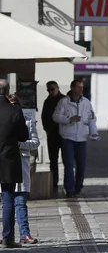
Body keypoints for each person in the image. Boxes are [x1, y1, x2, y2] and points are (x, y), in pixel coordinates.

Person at [53, 79, 99, 198]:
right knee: (68, 165)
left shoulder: (86, 102)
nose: (81, 89)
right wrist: (69, 119)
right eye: (79, 87)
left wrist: (93, 133)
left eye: (82, 87)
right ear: (72, 88)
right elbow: (56, 116)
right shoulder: (64, 102)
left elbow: (91, 119)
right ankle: (69, 189)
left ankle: (78, 187)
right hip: (68, 137)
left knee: (81, 165)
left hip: (82, 138)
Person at [0, 80, 30, 248]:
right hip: (8, 160)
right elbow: (24, 136)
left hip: (7, 159)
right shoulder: (14, 111)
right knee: (8, 199)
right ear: (7, 91)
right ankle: (7, 238)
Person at [15, 102, 40, 245]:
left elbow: (35, 142)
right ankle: (6, 234)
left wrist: (21, 145)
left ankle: (25, 233)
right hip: (5, 165)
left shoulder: (28, 121)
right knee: (5, 202)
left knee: (20, 202)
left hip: (21, 163)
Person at [41, 81, 65, 194]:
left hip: (64, 135)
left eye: (52, 89)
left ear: (57, 88)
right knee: (53, 161)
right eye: (49, 90)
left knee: (67, 160)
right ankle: (53, 183)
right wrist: (47, 129)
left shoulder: (64, 100)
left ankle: (68, 183)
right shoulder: (47, 101)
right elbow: (44, 117)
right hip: (52, 135)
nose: (51, 91)